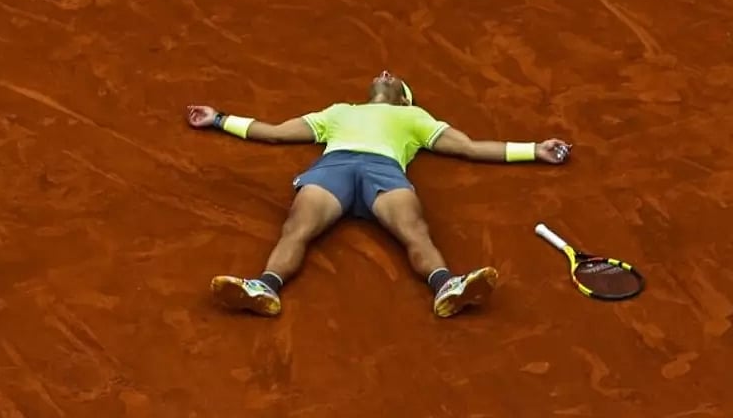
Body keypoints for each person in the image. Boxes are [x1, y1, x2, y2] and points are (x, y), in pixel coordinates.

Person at [186, 70, 571, 319]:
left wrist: (533, 148)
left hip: (383, 170)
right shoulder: (338, 112)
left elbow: (469, 147)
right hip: (332, 167)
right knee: (295, 228)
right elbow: (273, 132)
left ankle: (446, 286)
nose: (386, 73)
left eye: (396, 79)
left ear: (405, 98)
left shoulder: (415, 118)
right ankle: (265, 286)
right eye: (383, 75)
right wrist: (219, 118)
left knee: (415, 231)